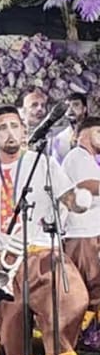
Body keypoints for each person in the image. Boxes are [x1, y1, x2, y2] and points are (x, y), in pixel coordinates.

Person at [0, 105, 91, 355]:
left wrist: (80, 199)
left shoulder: (40, 162)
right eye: (2, 127)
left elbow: (67, 197)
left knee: (68, 310)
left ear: (24, 130)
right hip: (7, 262)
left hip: (44, 254)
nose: (10, 133)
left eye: (15, 126)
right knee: (12, 336)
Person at [62, 116, 100, 335]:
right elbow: (86, 185)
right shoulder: (77, 156)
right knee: (89, 284)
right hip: (82, 234)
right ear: (81, 135)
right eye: (98, 132)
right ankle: (84, 335)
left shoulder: (89, 159)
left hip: (92, 231)